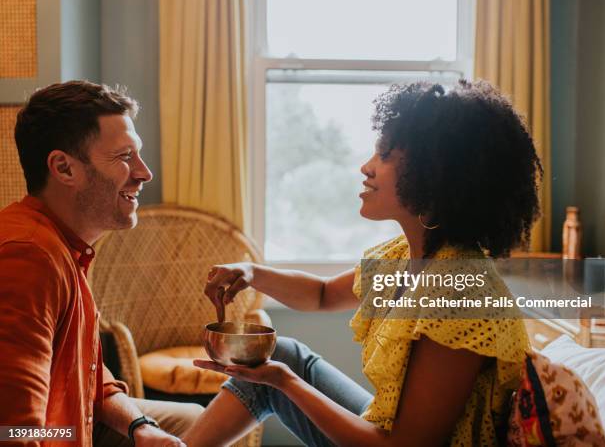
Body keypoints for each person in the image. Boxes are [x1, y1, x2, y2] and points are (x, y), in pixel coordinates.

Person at [182, 81, 540, 446]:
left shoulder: (458, 292)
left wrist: (284, 381)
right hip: (385, 428)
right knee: (286, 354)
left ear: (434, 175)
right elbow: (321, 294)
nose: (366, 167)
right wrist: (252, 273)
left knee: (282, 370)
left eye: (384, 155)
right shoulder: (406, 256)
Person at [0, 81, 203, 446]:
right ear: (64, 168)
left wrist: (141, 427)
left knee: (192, 421)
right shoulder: (28, 257)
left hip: (67, 426)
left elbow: (91, 373)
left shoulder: (65, 245)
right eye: (125, 157)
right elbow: (14, 431)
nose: (144, 173)